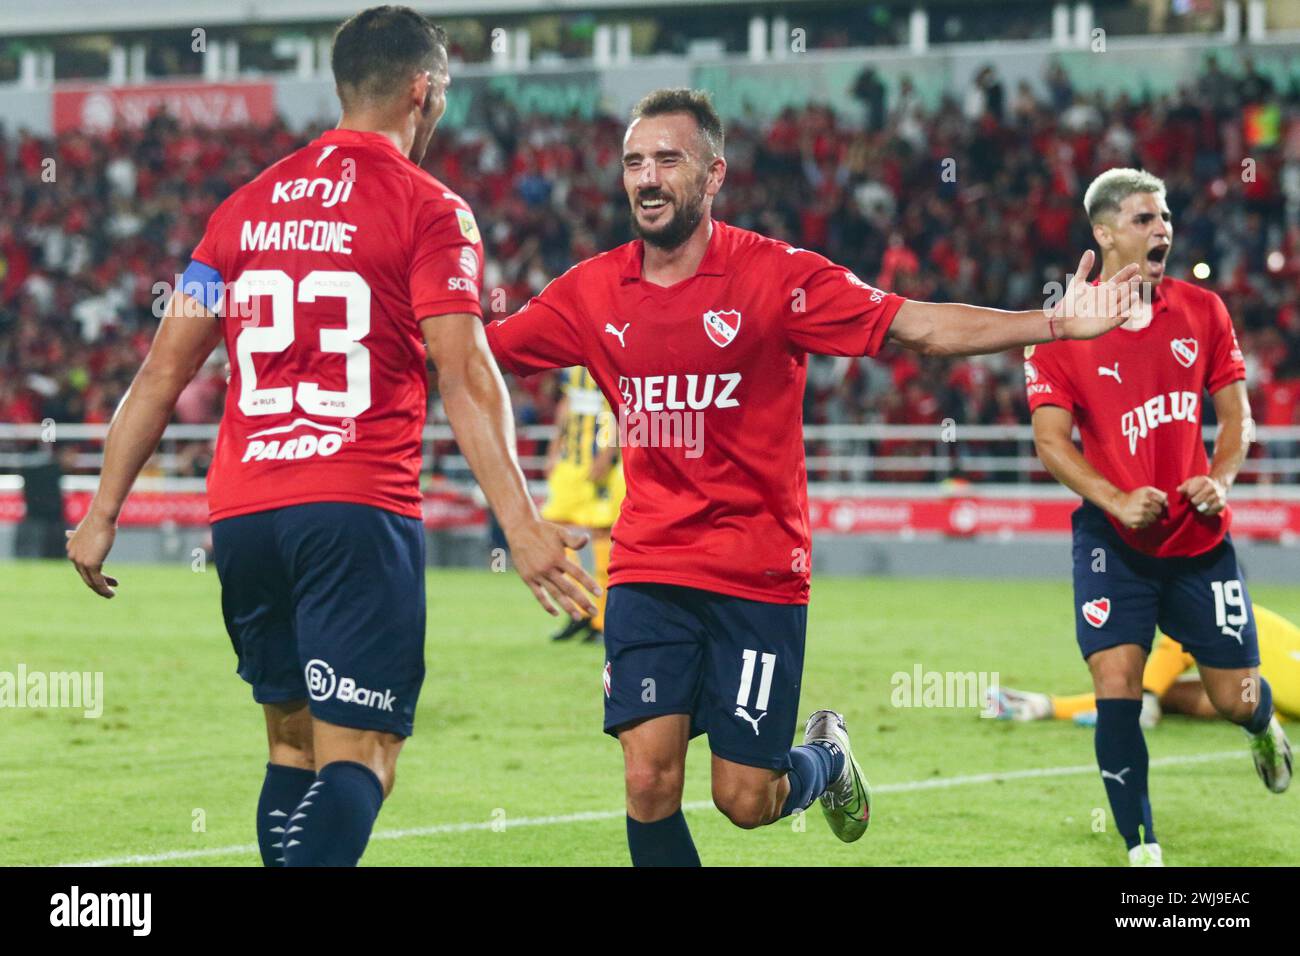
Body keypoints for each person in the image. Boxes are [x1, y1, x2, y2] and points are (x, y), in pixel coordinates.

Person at [485, 87, 1142, 866]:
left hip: (755, 574)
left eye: (669, 159)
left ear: (714, 174)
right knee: (647, 781)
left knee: (744, 800)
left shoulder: (776, 277)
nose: (647, 178)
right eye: (634, 162)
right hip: (649, 567)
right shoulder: (591, 292)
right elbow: (476, 356)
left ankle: (825, 760)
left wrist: (1055, 322)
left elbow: (916, 327)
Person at [65, 5, 596, 867]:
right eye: (445, 93)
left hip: (243, 515)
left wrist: (102, 511)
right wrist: (522, 523)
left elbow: (161, 375)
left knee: (292, 747)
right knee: (365, 758)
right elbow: (462, 372)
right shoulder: (431, 209)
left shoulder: (241, 210)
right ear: (422, 90)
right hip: (353, 507)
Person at [1025, 166, 1292, 868]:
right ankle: (1142, 846)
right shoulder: (1061, 330)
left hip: (1199, 540)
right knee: (1117, 683)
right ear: (1104, 232)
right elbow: (1050, 443)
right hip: (1113, 542)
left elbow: (1237, 416)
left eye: (1165, 215)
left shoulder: (1203, 310)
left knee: (1234, 697)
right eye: (1145, 218)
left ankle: (1263, 726)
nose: (1163, 228)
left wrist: (1221, 478)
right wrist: (1113, 499)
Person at [988, 603, 1300, 727]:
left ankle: (1146, 701)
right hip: (1278, 687)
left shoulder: (1225, 609)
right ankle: (1042, 706)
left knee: (1196, 621)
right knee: (1187, 697)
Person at [542, 366, 625, 643]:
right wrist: (554, 448)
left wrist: (609, 451)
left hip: (602, 460)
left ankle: (602, 621)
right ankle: (579, 611)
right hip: (571, 460)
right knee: (559, 531)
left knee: (603, 533)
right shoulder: (572, 363)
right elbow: (567, 401)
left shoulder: (612, 351)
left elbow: (622, 403)